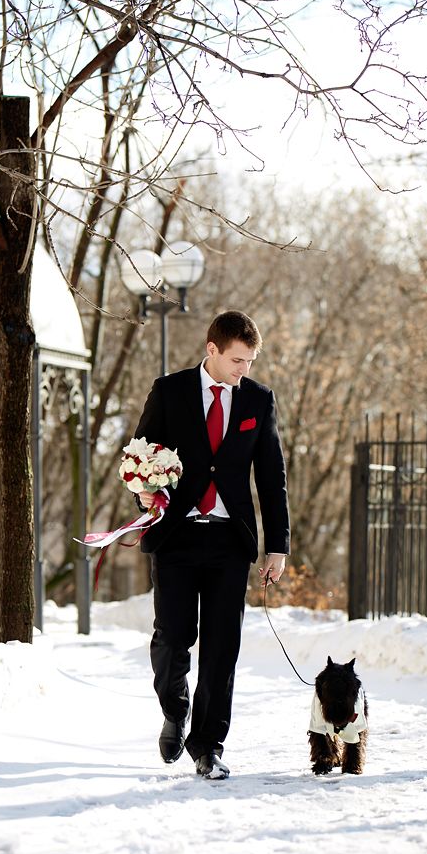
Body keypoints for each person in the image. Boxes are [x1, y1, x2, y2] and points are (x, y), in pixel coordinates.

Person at [134, 309, 290, 779]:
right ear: (212, 350)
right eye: (238, 360)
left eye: (251, 361)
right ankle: (175, 709)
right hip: (176, 535)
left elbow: (271, 476)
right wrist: (143, 487)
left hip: (230, 540)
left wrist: (277, 546)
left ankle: (207, 746)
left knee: (222, 650)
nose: (245, 370)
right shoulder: (171, 391)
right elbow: (141, 450)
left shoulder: (259, 401)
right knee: (172, 639)